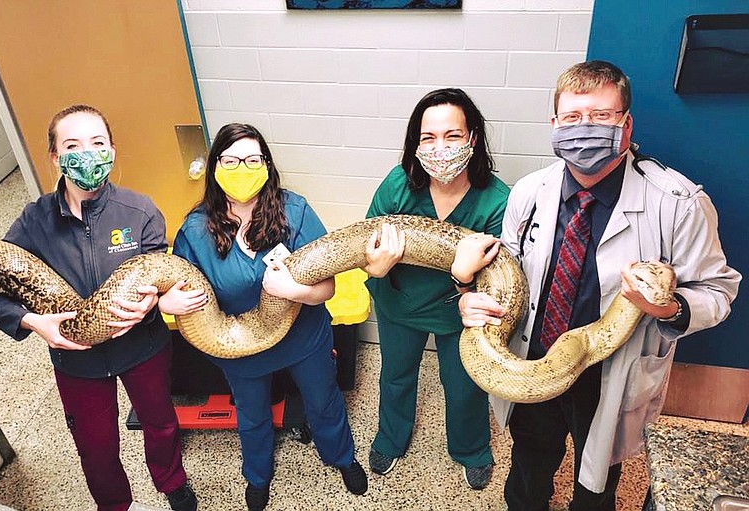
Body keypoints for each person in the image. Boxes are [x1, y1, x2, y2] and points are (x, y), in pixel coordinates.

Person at [455, 60, 741, 510]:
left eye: (602, 117)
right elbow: (502, 273)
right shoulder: (528, 193)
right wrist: (470, 299)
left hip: (611, 373)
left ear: (626, 125)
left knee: (597, 485)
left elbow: (719, 291)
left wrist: (667, 308)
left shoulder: (679, 203)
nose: (584, 128)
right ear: (554, 124)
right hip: (536, 361)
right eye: (572, 118)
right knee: (528, 470)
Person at [0, 105, 198, 511]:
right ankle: (113, 505)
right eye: (72, 145)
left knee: (161, 424)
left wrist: (157, 301)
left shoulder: (140, 210)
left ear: (112, 149)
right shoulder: (34, 221)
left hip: (143, 349)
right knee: (95, 447)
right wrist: (32, 322)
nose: (88, 155)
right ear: (55, 157)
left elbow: (160, 270)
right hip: (77, 361)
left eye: (98, 143)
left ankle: (172, 483)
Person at [159, 123, 367, 511]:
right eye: (231, 160)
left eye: (253, 159)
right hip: (241, 350)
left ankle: (342, 457)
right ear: (215, 167)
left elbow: (327, 289)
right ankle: (257, 477)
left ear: (267, 165)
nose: (242, 168)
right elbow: (174, 284)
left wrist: (295, 292)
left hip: (304, 338)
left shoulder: (295, 211)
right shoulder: (195, 230)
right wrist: (164, 303)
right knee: (252, 417)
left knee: (323, 401)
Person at [362, 88, 509, 490]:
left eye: (453, 136)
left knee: (463, 385)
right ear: (416, 143)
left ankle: (472, 449)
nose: (439, 147)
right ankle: (391, 439)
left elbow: (499, 279)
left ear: (473, 138)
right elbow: (366, 240)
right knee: (395, 375)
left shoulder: (497, 201)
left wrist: (464, 280)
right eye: (428, 138)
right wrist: (375, 266)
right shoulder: (398, 185)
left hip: (461, 310)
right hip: (399, 301)